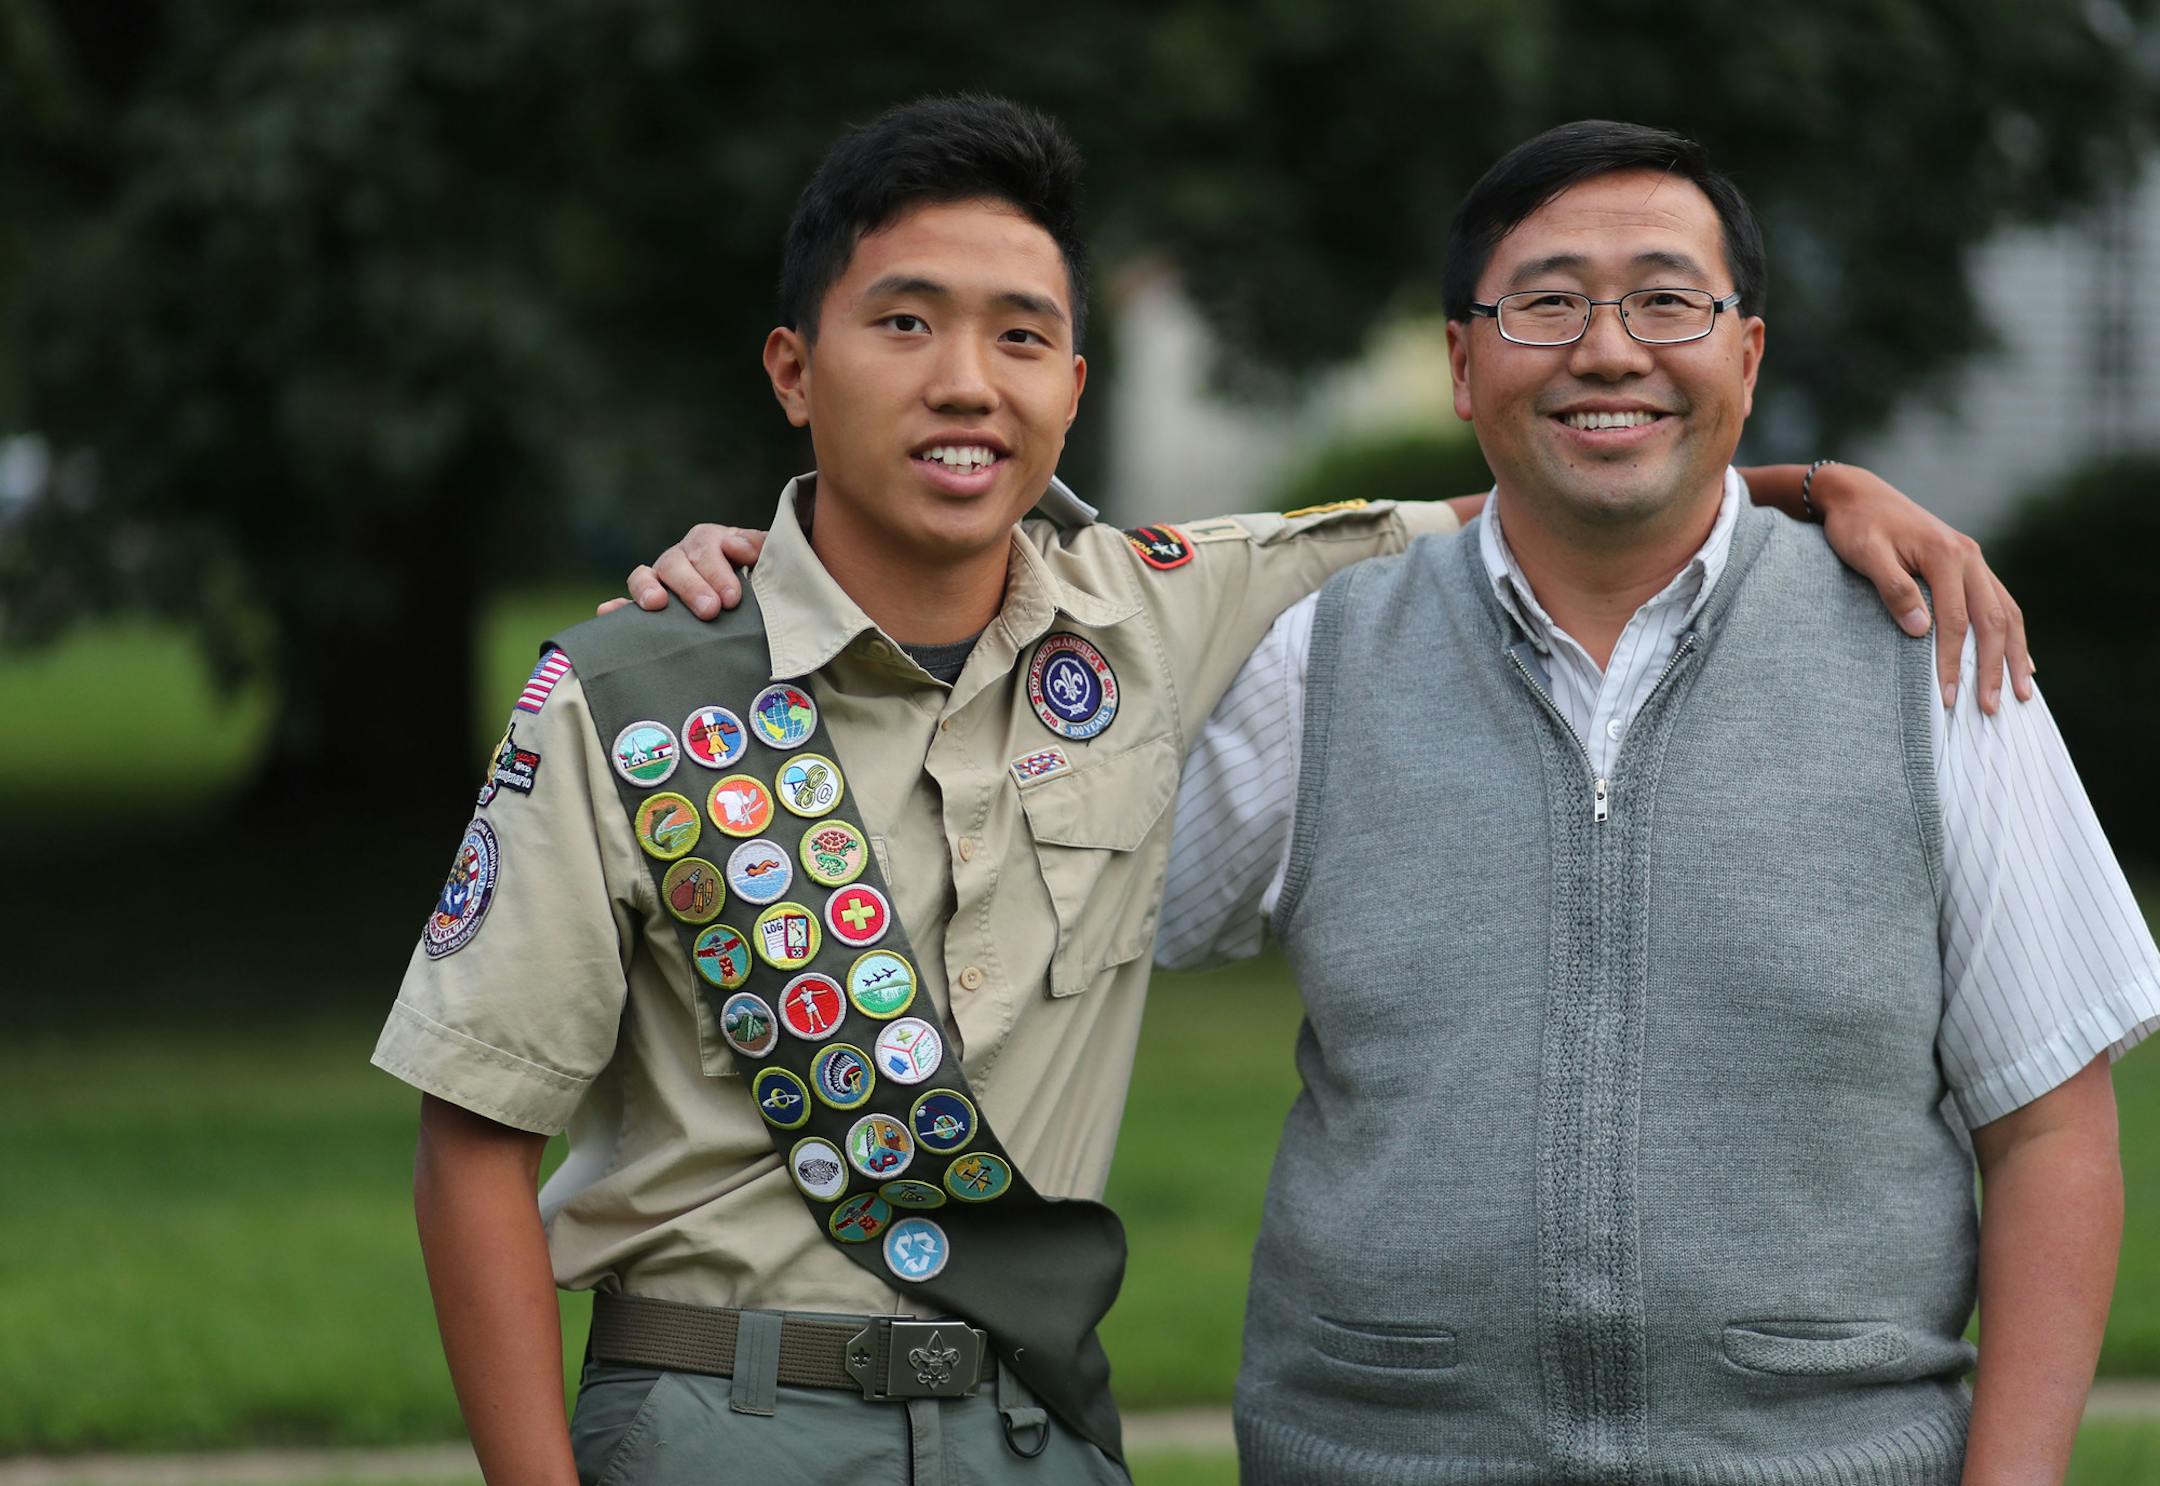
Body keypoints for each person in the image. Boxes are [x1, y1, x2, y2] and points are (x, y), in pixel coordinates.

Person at [387, 96, 2027, 1486]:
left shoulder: (1155, 611)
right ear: (792, 368)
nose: (967, 380)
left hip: (1026, 1422)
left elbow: (1547, 484)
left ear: (1073, 391)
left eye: (1020, 335)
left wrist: (1812, 489)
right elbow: (471, 1146)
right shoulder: (635, 692)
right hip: (714, 1413)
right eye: (904, 323)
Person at [1152, 120, 2157, 1484]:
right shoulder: (1319, 654)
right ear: (1462, 361)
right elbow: (1071, 920)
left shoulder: (1936, 652)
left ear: (1745, 354)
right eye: (1547, 302)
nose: (1609, 348)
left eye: (1668, 300)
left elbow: (2050, 1127)